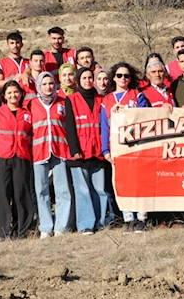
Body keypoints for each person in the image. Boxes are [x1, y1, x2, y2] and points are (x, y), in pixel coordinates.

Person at [101, 63, 149, 233]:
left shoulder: (137, 95)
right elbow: (104, 125)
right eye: (120, 75)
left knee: (141, 182)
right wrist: (105, 150)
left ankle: (142, 217)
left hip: (138, 145)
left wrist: (127, 109)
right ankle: (128, 217)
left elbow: (145, 116)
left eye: (126, 76)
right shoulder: (106, 100)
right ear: (114, 77)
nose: (123, 79)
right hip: (118, 147)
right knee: (123, 183)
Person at [0, 81, 35, 239]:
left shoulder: (27, 113)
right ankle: (2, 231)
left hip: (22, 157)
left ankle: (22, 230)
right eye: (10, 93)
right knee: (2, 194)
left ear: (21, 94)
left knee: (21, 193)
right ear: (4, 96)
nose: (13, 95)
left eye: (16, 92)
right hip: (2, 157)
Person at [28, 72, 73, 238]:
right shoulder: (31, 104)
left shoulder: (63, 102)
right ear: (39, 86)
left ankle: (61, 226)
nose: (48, 87)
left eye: (51, 84)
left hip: (60, 150)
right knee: (41, 191)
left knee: (63, 189)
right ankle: (46, 227)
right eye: (45, 84)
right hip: (39, 152)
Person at [65, 67, 109, 233]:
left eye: (90, 77)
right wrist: (74, 149)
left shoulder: (102, 99)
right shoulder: (71, 99)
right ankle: (85, 225)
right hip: (80, 153)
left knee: (100, 190)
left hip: (98, 152)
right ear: (78, 80)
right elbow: (69, 127)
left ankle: (100, 222)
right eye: (84, 78)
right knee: (83, 190)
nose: (88, 81)